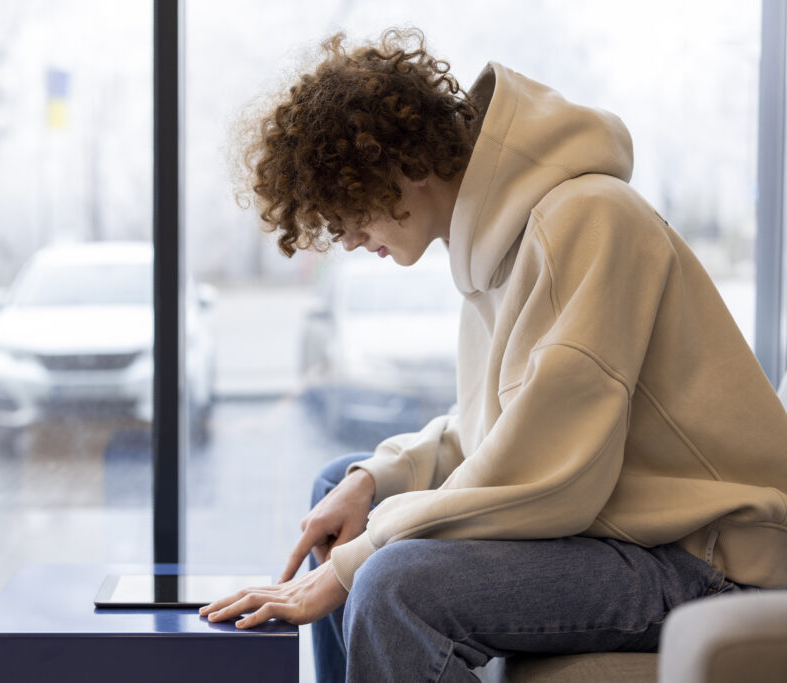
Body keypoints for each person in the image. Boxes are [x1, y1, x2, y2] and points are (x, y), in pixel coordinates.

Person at [200, 28, 787, 682]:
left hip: (716, 563)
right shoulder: (496, 251)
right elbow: (500, 429)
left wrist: (356, 560)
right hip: (631, 533)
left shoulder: (588, 221)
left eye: (347, 203)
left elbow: (551, 476)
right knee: (339, 483)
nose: (345, 234)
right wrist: (376, 478)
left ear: (409, 164)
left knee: (394, 584)